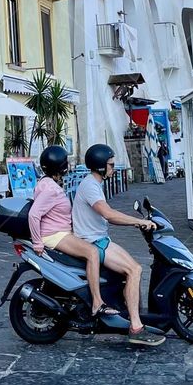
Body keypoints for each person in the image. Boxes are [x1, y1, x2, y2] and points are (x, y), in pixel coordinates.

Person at [72, 144, 165, 347]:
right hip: (94, 242)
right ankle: (136, 327)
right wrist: (139, 221)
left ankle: (129, 315)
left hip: (99, 239)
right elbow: (109, 214)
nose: (113, 168)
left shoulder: (94, 184)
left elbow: (108, 215)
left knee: (130, 271)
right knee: (134, 270)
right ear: (99, 166)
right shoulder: (90, 186)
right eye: (111, 165)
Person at [28, 145, 114, 321]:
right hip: (55, 235)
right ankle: (97, 303)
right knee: (92, 252)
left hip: (60, 233)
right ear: (62, 167)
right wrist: (37, 242)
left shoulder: (45, 182)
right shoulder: (51, 189)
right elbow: (34, 214)